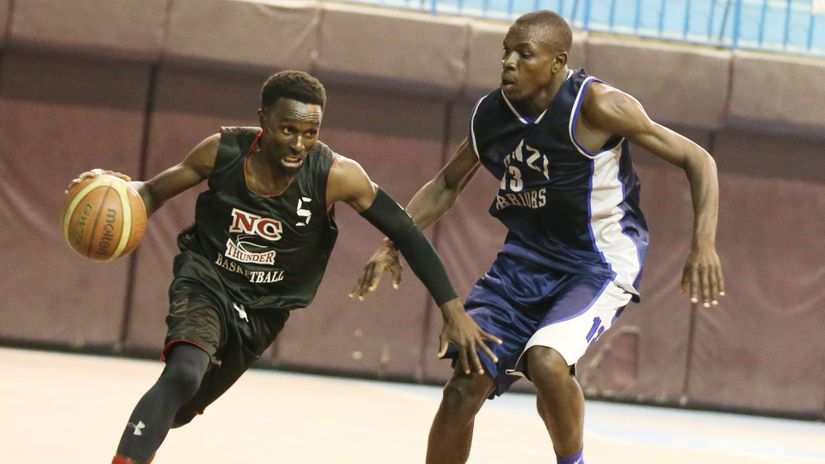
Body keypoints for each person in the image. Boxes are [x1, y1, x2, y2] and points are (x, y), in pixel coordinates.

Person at [349, 10, 725, 464]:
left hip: (597, 262)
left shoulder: (598, 106)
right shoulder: (491, 114)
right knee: (462, 389)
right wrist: (393, 243)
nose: (507, 62)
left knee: (546, 362)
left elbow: (699, 159)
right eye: (505, 51)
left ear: (556, 62)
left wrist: (703, 244)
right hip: (523, 264)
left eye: (523, 53)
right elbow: (446, 185)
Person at [67, 70, 501, 464]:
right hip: (207, 280)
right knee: (182, 372)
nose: (298, 144)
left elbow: (406, 231)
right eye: (287, 130)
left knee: (179, 411)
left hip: (265, 309)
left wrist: (452, 309)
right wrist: (115, 188)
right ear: (263, 119)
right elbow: (152, 192)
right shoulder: (222, 152)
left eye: (309, 133)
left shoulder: (336, 175)